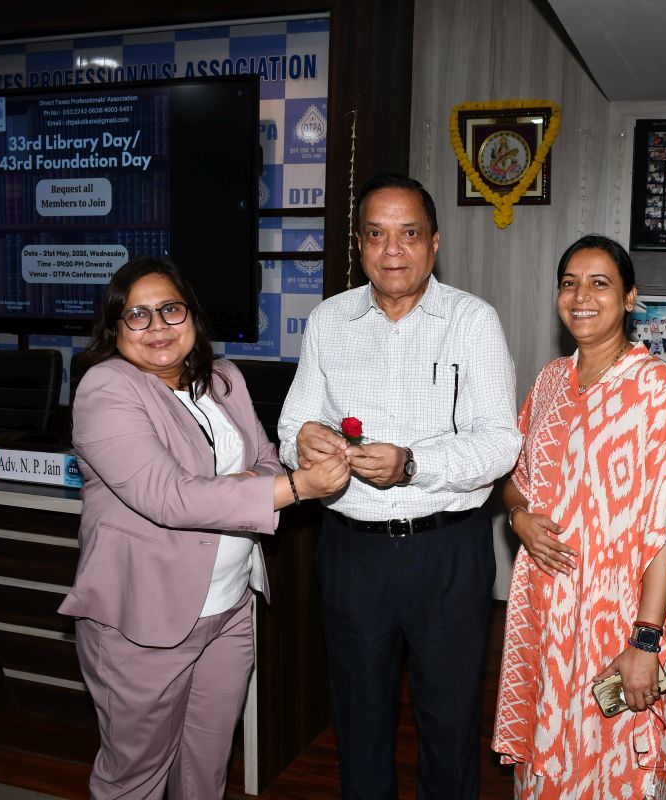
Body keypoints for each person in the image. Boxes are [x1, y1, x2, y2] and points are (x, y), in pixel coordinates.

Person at [59, 257, 350, 799]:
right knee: (135, 778)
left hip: (230, 609)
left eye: (170, 310)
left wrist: (237, 484)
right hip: (145, 620)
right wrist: (294, 487)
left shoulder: (223, 379)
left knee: (206, 773)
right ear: (115, 329)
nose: (157, 327)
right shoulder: (107, 389)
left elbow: (265, 458)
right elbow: (169, 497)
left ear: (191, 314)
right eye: (137, 315)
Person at [277, 173, 520, 799]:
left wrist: (412, 465)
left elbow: (501, 443)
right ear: (359, 244)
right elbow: (291, 426)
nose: (393, 250)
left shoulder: (472, 320)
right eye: (376, 234)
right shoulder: (329, 320)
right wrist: (304, 442)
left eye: (409, 233)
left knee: (450, 727)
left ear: (434, 242)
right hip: (352, 552)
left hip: (446, 552)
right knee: (358, 724)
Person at [493, 235, 666, 798]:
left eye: (599, 283)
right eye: (569, 283)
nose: (581, 296)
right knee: (547, 767)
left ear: (630, 298)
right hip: (547, 615)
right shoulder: (550, 381)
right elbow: (514, 480)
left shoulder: (660, 392)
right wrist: (518, 518)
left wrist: (646, 641)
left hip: (623, 618)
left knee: (619, 768)